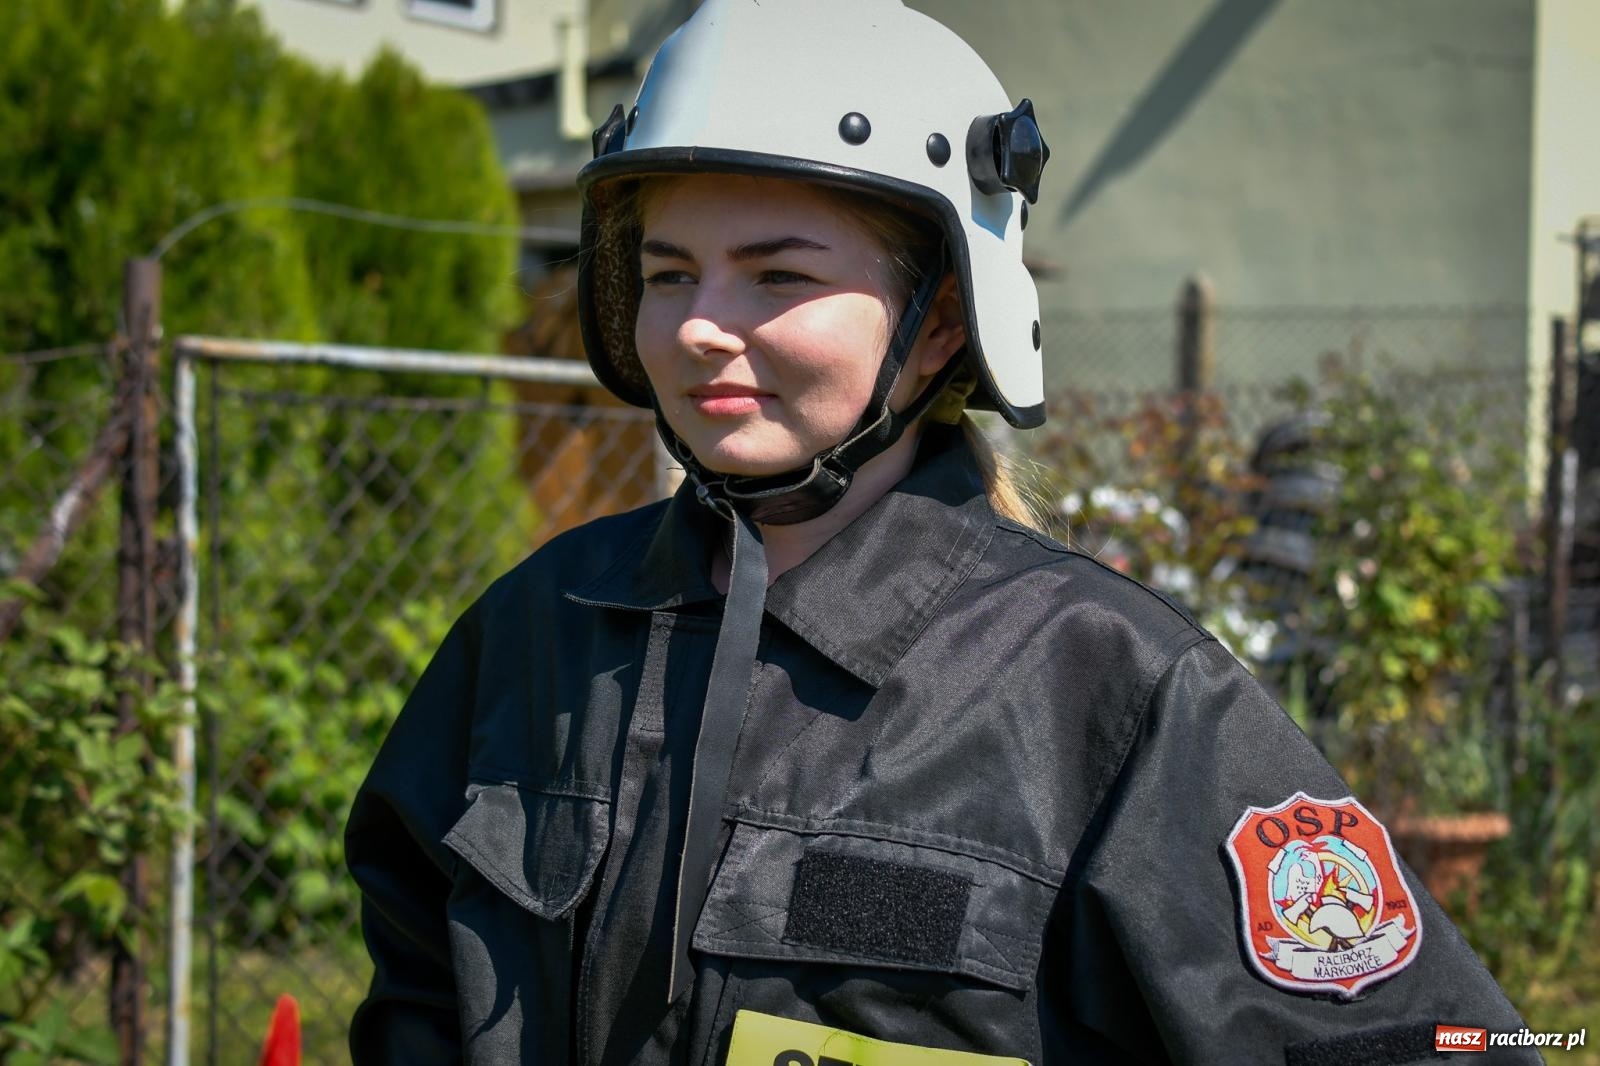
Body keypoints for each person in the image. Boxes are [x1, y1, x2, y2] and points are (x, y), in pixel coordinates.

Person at [345, 1, 1535, 1063]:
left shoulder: (1104, 686)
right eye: (667, 273)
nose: (702, 325)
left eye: (775, 277)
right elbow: (416, 988)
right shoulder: (538, 628)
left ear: (939, 322)